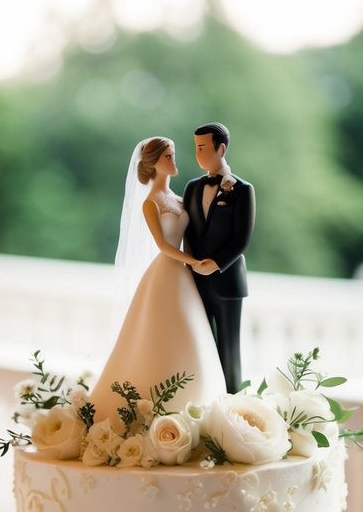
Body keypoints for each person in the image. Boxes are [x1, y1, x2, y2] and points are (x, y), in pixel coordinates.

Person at [90, 137, 226, 422]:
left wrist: (196, 259)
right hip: (166, 270)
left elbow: (190, 235)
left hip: (184, 275)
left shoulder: (179, 198)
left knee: (189, 331)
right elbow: (163, 245)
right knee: (161, 333)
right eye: (168, 156)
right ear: (153, 164)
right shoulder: (150, 203)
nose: (174, 161)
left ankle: (196, 400)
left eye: (172, 155)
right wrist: (192, 261)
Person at [183, 122, 255, 393]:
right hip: (195, 280)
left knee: (228, 346)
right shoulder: (191, 187)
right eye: (196, 148)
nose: (198, 154)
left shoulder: (242, 190)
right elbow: (188, 231)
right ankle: (204, 398)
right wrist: (190, 263)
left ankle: (232, 401)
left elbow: (242, 238)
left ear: (220, 148)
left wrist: (215, 264)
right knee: (200, 343)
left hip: (227, 282)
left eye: (202, 148)